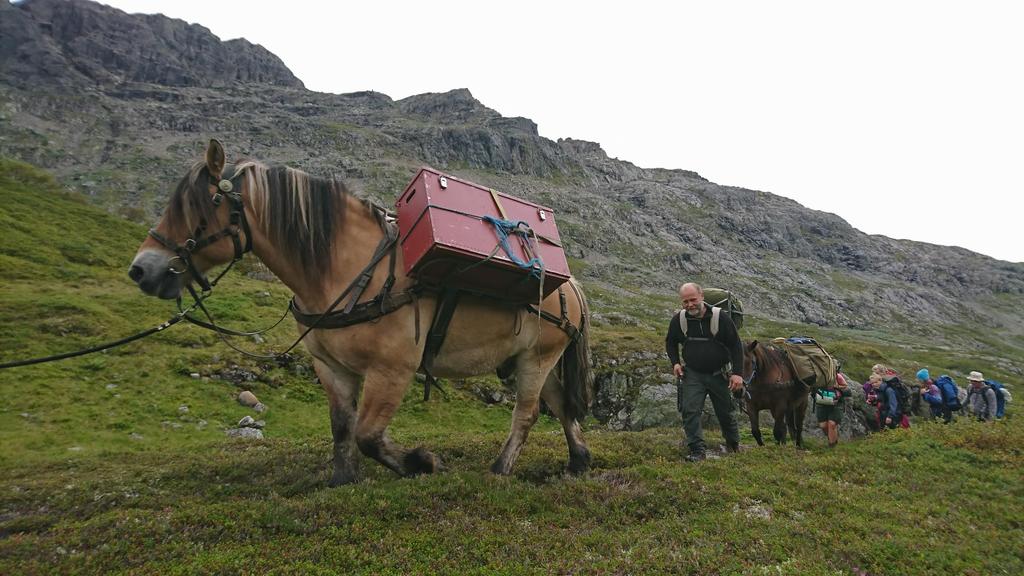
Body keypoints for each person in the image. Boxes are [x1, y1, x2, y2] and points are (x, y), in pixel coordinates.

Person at [665, 282, 744, 462]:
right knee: (690, 410)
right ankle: (697, 451)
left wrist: (737, 373)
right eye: (685, 302)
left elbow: (736, 346)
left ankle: (733, 445)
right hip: (693, 374)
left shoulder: (721, 318)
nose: (690, 305)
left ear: (701, 296)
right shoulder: (679, 320)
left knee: (725, 412)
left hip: (719, 374)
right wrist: (675, 363)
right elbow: (670, 342)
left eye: (693, 300)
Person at [814, 372, 851, 447]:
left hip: (836, 403)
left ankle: (832, 446)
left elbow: (845, 387)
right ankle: (833, 439)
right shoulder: (817, 375)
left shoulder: (837, 376)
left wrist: (835, 386)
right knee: (823, 425)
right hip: (821, 403)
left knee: (832, 424)